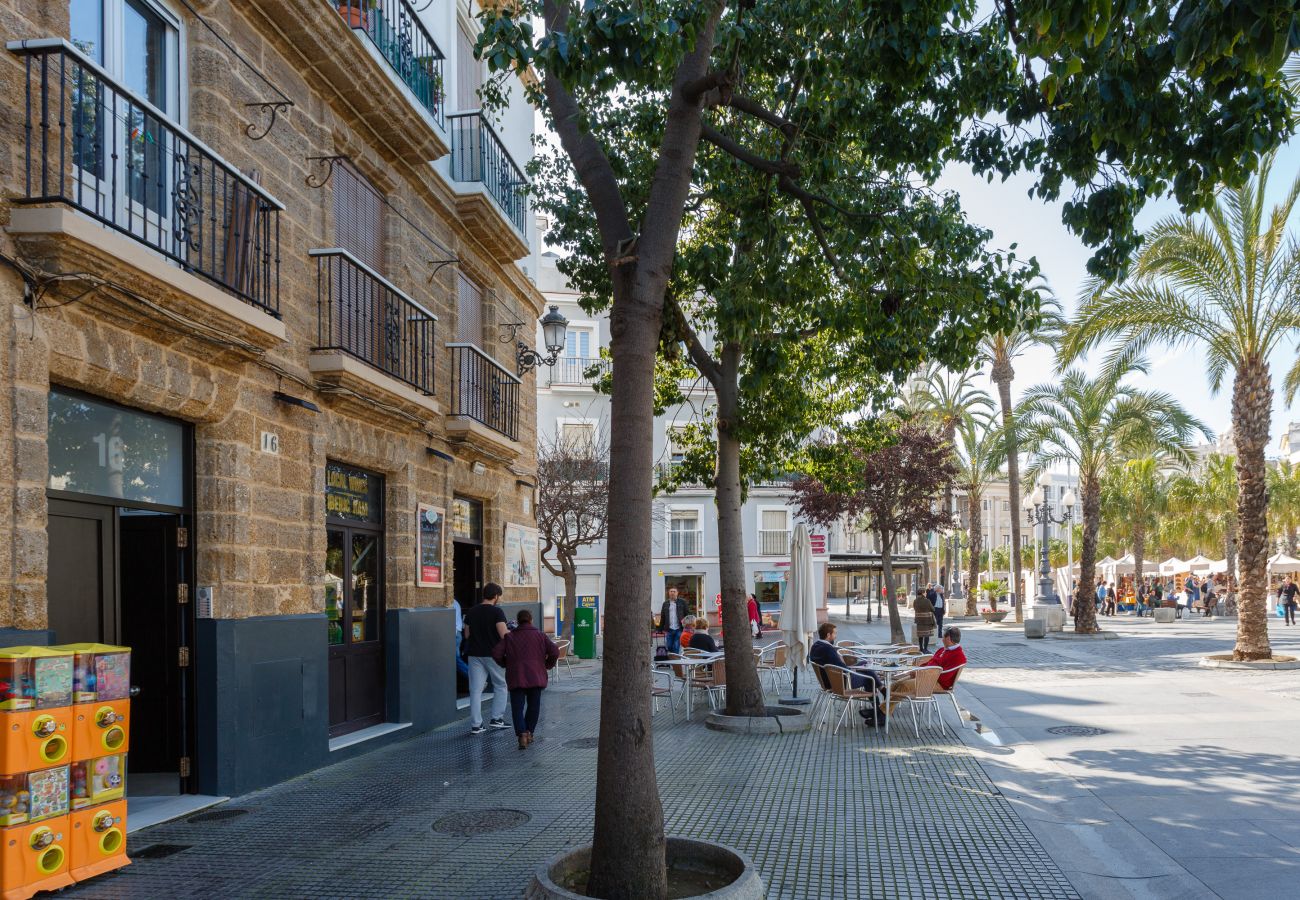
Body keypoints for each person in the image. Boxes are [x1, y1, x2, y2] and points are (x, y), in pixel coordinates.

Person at [492, 609, 559, 749]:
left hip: (516, 676)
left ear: (518, 620)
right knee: (534, 706)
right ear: (531, 620)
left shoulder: (509, 637)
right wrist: (547, 665)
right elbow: (555, 651)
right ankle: (529, 732)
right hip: (536, 676)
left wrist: (506, 664)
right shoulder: (540, 635)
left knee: (517, 707)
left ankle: (521, 734)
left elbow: (496, 653)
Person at [808, 623, 882, 721]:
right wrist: (854, 669)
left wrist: (855, 668)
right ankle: (879, 711)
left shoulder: (815, 646)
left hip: (828, 681)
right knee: (870, 678)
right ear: (828, 635)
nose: (836, 636)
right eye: (835, 633)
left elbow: (838, 666)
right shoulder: (828, 649)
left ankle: (879, 705)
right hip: (841, 683)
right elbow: (843, 668)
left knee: (865, 664)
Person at [464, 583, 510, 735]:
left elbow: (467, 635)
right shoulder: (497, 612)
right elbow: (504, 634)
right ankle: (497, 719)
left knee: (475, 690)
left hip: (474, 655)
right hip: (493, 655)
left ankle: (476, 725)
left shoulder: (471, 611)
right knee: (500, 685)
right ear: (496, 596)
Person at [926, 626, 968, 690]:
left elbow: (943, 678)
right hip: (926, 677)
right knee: (905, 678)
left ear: (948, 638)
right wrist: (918, 669)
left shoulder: (958, 656)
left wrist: (922, 673)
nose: (942, 640)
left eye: (943, 637)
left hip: (936, 684)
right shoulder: (942, 649)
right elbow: (930, 662)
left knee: (905, 684)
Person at [658, 587, 689, 654]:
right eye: (671, 591)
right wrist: (660, 628)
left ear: (677, 593)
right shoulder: (665, 603)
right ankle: (672, 658)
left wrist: (688, 626)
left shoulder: (682, 602)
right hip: (669, 629)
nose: (672, 593)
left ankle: (675, 661)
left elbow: (687, 614)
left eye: (674, 591)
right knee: (669, 646)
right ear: (669, 593)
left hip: (679, 628)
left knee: (676, 646)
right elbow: (663, 617)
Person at [913, 589, 936, 653]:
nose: (926, 594)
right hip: (927, 620)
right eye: (925, 592)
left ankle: (921, 648)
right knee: (926, 635)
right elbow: (932, 609)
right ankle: (925, 649)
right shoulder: (927, 601)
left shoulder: (915, 601)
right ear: (923, 593)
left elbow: (915, 608)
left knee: (920, 635)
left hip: (919, 620)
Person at [454, 599, 470, 681]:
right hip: (457, 633)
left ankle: (473, 677)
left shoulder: (452, 603)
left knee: (455, 660)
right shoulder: (456, 603)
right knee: (456, 660)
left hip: (454, 634)